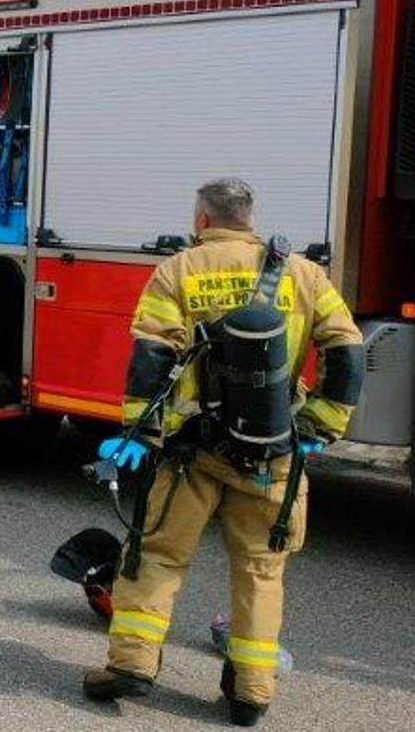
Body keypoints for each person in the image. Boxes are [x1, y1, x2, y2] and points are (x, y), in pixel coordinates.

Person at [82, 178, 363, 727]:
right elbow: (348, 351)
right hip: (273, 455)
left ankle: (132, 665)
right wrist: (321, 425)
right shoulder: (305, 274)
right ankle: (251, 692)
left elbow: (152, 355)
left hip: (193, 453)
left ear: (203, 220)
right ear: (250, 220)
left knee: (157, 555)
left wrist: (140, 433)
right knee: (260, 573)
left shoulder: (179, 270)